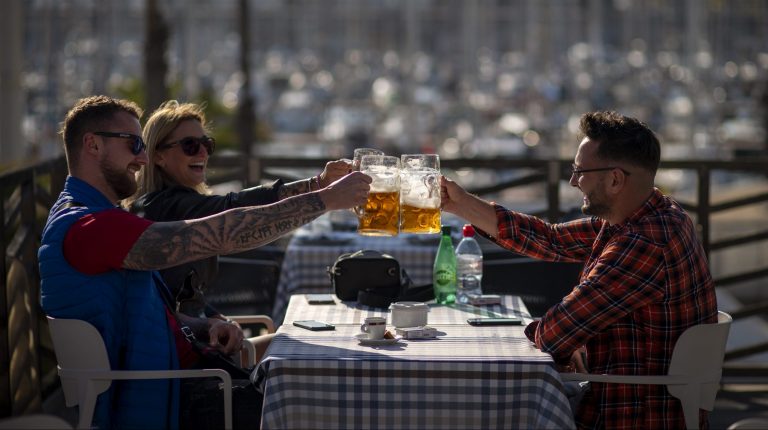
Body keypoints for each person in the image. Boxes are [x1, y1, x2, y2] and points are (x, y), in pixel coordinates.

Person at [38, 95, 370, 429]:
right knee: (334, 399)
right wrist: (324, 199)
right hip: (179, 395)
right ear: (93, 145)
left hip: (186, 378)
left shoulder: (89, 217)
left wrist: (201, 324)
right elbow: (223, 231)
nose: (142, 157)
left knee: (323, 379)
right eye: (133, 144)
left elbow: (142, 309)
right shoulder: (90, 227)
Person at [440, 111, 718, 429]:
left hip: (631, 415)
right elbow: (551, 240)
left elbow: (554, 333)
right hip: (635, 397)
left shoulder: (645, 242)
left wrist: (566, 341)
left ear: (615, 179)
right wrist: (460, 204)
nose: (573, 181)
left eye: (580, 172)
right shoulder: (654, 215)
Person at [123, 100, 351, 362]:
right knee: (307, 349)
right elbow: (235, 207)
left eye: (207, 144)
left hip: (195, 345)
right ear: (158, 156)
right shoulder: (167, 207)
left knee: (305, 343)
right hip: (185, 358)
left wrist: (217, 318)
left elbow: (183, 296)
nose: (202, 153)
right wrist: (322, 192)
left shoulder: (164, 204)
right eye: (190, 145)